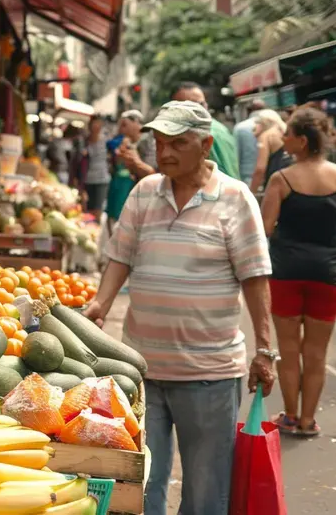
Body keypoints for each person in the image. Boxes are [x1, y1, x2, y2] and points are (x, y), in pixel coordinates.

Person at [83, 100, 276, 515]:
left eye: (177, 143)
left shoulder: (236, 199)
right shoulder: (144, 192)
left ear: (205, 144)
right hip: (140, 369)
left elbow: (256, 278)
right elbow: (121, 257)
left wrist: (265, 348)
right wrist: (101, 303)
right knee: (139, 487)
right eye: (159, 142)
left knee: (206, 494)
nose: (164, 152)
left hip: (208, 374)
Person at [261, 106, 336, 437]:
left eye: (287, 133)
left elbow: (266, 227)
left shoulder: (282, 179)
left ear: (301, 140)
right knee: (316, 353)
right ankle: (307, 420)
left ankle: (289, 416)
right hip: (328, 275)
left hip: (287, 271)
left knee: (289, 350)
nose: (283, 139)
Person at [171, 82, 239, 179]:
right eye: (192, 105)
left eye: (201, 104)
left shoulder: (208, 133)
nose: (199, 109)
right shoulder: (188, 131)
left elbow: (225, 173)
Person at [250, 109, 292, 194]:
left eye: (258, 122)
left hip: (276, 182)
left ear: (265, 122)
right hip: (291, 180)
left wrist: (251, 192)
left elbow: (260, 169)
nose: (255, 126)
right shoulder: (284, 131)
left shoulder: (266, 136)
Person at [81, 116, 110, 220]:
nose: (96, 127)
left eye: (98, 124)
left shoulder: (106, 140)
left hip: (101, 179)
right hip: (87, 179)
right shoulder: (84, 141)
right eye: (94, 124)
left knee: (98, 209)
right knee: (86, 209)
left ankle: (96, 230)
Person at [234, 99, 266, 185]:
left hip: (247, 177)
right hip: (268, 176)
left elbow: (236, 155)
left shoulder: (240, 128)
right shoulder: (272, 125)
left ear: (248, 110)